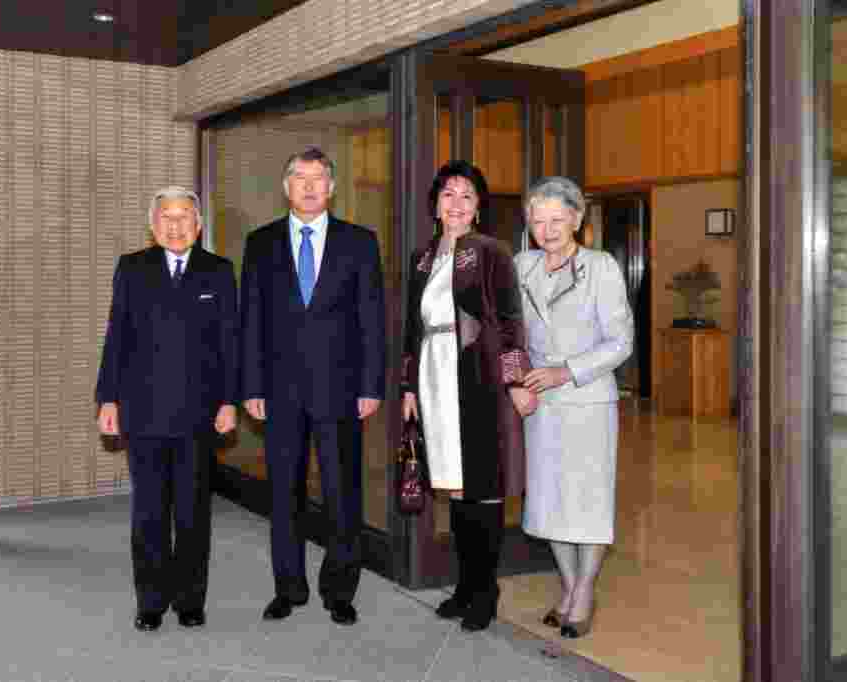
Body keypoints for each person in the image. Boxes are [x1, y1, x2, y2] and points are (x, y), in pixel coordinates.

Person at [240, 147, 386, 627]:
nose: (308, 186)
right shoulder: (261, 243)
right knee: (284, 494)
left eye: (318, 177)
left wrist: (371, 385)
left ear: (332, 187)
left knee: (343, 493)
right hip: (279, 391)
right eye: (299, 177)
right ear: (286, 186)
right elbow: (251, 320)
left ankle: (340, 590)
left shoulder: (359, 243)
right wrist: (251, 385)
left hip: (340, 390)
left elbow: (371, 320)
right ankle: (288, 588)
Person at [96, 186, 238, 632]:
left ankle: (190, 600)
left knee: (193, 513)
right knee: (149, 513)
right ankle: (151, 601)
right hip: (144, 411)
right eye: (166, 218)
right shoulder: (132, 268)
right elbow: (117, 337)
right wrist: (108, 398)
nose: (175, 226)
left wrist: (229, 400)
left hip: (199, 413)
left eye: (184, 218)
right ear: (153, 226)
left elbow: (230, 343)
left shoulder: (219, 271)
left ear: (198, 225)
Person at [400, 160, 535, 632]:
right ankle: (464, 587)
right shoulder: (421, 259)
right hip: (434, 379)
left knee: (483, 488)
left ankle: (485, 591)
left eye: (467, 196)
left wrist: (516, 381)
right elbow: (411, 329)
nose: (456, 204)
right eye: (448, 194)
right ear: (435, 205)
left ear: (478, 208)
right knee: (455, 488)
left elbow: (512, 321)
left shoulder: (491, 252)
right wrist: (408, 387)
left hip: (480, 379)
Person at [515, 176, 633, 641]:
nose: (546, 231)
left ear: (577, 219)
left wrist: (566, 372)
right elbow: (507, 332)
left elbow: (620, 342)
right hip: (540, 402)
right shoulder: (521, 265)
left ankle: (584, 592)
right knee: (549, 500)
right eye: (538, 221)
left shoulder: (601, 267)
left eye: (557, 220)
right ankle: (568, 585)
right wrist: (516, 383)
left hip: (587, 400)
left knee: (588, 500)